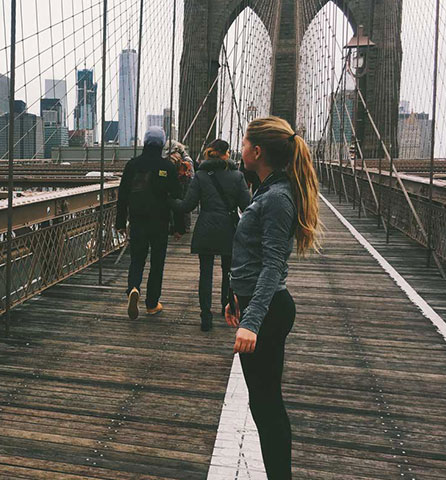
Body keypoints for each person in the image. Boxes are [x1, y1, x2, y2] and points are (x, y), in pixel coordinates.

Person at [226, 116, 321, 479]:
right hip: (255, 305)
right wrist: (236, 299)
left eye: (245, 143)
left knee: (267, 406)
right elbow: (254, 258)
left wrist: (251, 322)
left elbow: (272, 265)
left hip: (268, 312)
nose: (242, 149)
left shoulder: (277, 198)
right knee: (263, 404)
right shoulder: (267, 190)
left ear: (258, 151)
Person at [169, 139, 251, 332]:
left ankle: (205, 316)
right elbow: (247, 207)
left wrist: (168, 201)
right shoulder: (237, 176)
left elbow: (187, 205)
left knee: (205, 274)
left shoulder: (201, 176)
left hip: (205, 227)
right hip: (229, 228)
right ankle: (226, 307)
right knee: (228, 272)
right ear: (227, 153)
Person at [116, 126, 185, 320]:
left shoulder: (132, 165)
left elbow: (123, 196)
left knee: (137, 258)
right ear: (162, 144)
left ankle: (133, 288)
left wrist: (120, 222)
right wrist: (179, 227)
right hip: (160, 222)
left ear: (145, 142)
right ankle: (152, 303)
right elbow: (176, 198)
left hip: (137, 220)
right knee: (157, 263)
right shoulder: (168, 167)